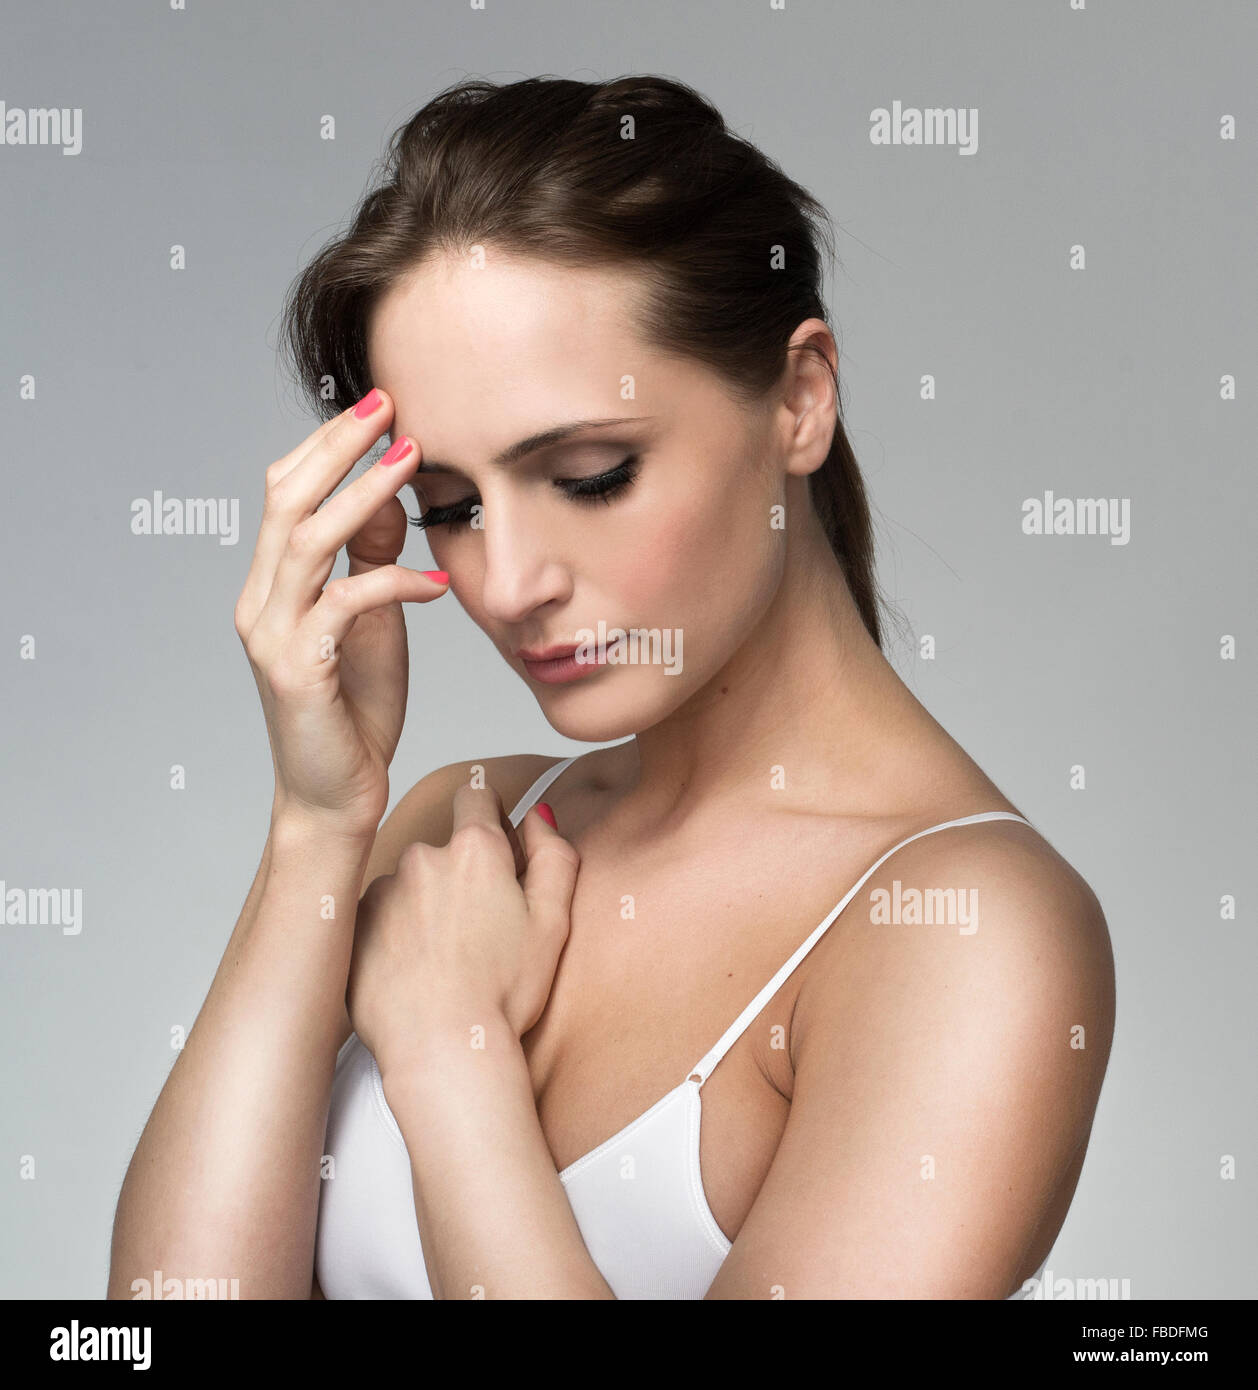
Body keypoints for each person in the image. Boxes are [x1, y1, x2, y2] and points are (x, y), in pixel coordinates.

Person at [107, 75, 1115, 1300]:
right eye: (452, 509)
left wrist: (454, 1061)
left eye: (588, 474)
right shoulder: (457, 831)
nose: (510, 581)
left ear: (799, 398)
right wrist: (319, 827)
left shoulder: (967, 935)